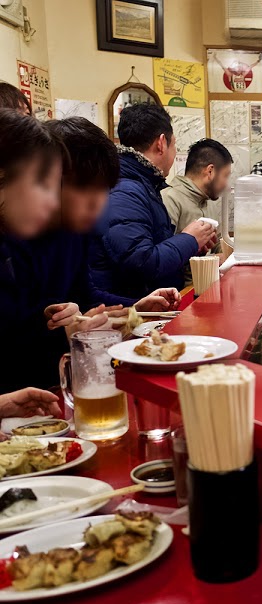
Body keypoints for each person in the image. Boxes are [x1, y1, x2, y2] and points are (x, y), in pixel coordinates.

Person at [8, 117, 180, 392]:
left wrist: (135, 309)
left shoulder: (76, 233)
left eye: (104, 190)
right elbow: (15, 333)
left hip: (61, 380)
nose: (98, 203)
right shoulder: (16, 239)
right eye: (85, 189)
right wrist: (67, 333)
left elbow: (84, 295)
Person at [89, 104, 216, 299]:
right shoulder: (126, 189)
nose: (173, 154)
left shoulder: (143, 183)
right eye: (174, 145)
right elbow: (141, 263)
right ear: (161, 143)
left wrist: (192, 243)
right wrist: (188, 239)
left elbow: (149, 248)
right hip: (128, 315)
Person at [162, 138, 233, 285]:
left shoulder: (207, 201)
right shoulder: (170, 199)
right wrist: (208, 259)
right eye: (225, 176)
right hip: (181, 292)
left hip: (208, 285)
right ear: (210, 171)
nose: (226, 184)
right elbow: (163, 258)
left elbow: (217, 245)